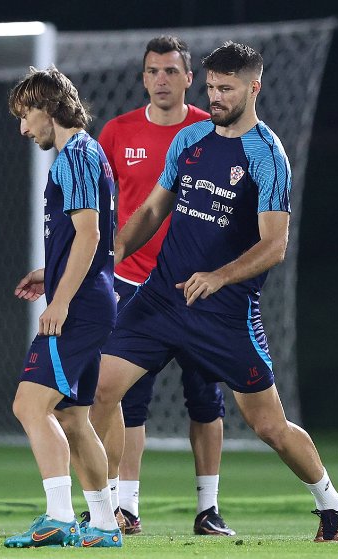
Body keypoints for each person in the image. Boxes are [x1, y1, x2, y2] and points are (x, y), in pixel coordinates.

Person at [90, 41, 338, 543]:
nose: (215, 96)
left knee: (270, 426)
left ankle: (331, 505)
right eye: (210, 86)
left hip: (225, 315)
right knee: (100, 388)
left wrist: (220, 276)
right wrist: (109, 257)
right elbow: (149, 213)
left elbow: (275, 244)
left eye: (226, 88)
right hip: (162, 299)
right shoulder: (190, 140)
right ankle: (105, 512)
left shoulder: (267, 155)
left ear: (254, 87)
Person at [97, 35, 233, 536]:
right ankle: (125, 506)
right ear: (143, 77)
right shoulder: (116, 132)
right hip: (133, 286)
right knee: (125, 400)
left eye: (171, 71)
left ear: (188, 78)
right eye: (152, 71)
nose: (161, 80)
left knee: (205, 400)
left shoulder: (210, 130)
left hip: (195, 288)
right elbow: (101, 209)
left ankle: (207, 509)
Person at [3, 66, 122, 549]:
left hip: (82, 305)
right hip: (96, 298)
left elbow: (90, 233)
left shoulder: (72, 156)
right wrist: (48, 274)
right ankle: (105, 525)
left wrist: (62, 300)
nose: (24, 129)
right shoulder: (90, 153)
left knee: (29, 405)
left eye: (27, 115)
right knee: (73, 417)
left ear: (49, 108)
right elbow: (85, 237)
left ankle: (57, 517)